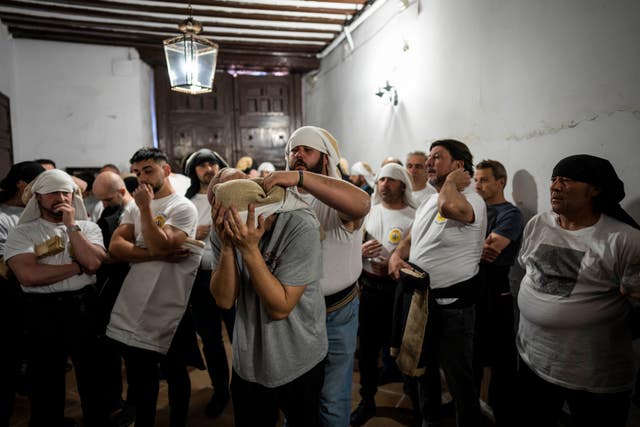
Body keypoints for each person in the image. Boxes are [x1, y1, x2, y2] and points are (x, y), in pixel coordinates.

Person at [517, 154, 640, 427]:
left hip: (592, 377)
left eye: (567, 179)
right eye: (554, 179)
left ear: (595, 189)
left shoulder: (625, 240)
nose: (555, 186)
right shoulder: (538, 224)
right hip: (532, 362)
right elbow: (529, 270)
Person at [263, 126, 370, 426]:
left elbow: (361, 203)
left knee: (332, 400)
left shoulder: (337, 197)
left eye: (306, 150)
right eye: (293, 151)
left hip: (336, 311)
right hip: (294, 314)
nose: (297, 155)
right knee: (294, 393)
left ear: (325, 159)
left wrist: (299, 177)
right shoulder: (281, 201)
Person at [209, 176, 327, 427]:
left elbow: (280, 307)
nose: (240, 229)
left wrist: (250, 249)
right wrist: (229, 246)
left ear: (267, 211)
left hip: (298, 355)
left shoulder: (300, 225)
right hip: (250, 357)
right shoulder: (224, 224)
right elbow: (224, 299)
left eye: (244, 222)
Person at [389, 139, 486, 427]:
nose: (429, 163)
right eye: (429, 157)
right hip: (422, 300)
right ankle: (428, 422)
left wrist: (453, 182)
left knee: (459, 379)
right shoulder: (429, 199)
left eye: (436, 158)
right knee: (423, 370)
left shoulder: (473, 200)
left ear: (458, 166)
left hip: (451, 307)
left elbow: (449, 207)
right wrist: (396, 254)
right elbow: (411, 237)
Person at [4, 169, 110, 427]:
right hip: (42, 312)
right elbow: (28, 275)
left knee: (93, 379)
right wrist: (77, 267)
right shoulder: (23, 233)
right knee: (45, 382)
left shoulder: (87, 227)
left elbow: (94, 262)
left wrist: (71, 226)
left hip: (84, 307)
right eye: (52, 192)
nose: (61, 197)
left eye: (66, 192)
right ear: (37, 198)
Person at [106, 148, 202, 427]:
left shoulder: (182, 207)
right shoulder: (133, 207)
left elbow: (161, 242)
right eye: (136, 173)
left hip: (172, 300)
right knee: (141, 376)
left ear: (167, 170)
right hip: (138, 297)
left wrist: (146, 210)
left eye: (148, 170)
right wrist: (153, 254)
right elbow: (115, 247)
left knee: (175, 371)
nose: (142, 178)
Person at [350, 163, 417, 426]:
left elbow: (419, 250)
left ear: (403, 185)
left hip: (400, 290)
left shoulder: (414, 214)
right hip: (370, 289)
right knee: (367, 348)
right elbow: (352, 243)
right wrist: (361, 250)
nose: (384, 185)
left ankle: (414, 400)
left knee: (405, 347)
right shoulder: (369, 211)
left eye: (391, 180)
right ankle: (367, 400)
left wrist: (397, 260)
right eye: (381, 180)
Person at [183, 149, 234, 417]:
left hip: (232, 273)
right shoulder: (186, 201)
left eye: (212, 163)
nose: (208, 169)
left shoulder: (231, 194)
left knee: (242, 335)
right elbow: (174, 235)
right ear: (193, 171)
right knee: (211, 340)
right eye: (201, 165)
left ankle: (245, 385)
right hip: (199, 277)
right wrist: (192, 233)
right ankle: (220, 390)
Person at [473, 160, 523, 426]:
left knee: (502, 361)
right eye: (476, 180)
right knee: (473, 359)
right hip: (473, 289)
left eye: (484, 180)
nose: (478, 185)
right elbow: (475, 249)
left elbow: (494, 249)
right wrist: (472, 249)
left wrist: (462, 249)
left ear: (500, 182)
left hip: (496, 292)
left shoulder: (509, 214)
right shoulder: (473, 209)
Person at [0, 161, 45, 426]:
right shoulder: (3, 216)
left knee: (41, 369)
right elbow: (5, 267)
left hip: (40, 301)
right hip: (11, 303)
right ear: (22, 185)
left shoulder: (39, 214)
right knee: (9, 366)